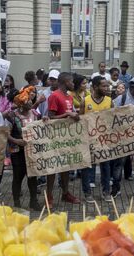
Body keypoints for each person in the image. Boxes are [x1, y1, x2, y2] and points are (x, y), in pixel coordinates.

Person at [46, 72, 81, 206]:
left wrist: (75, 115)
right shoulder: (54, 96)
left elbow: (70, 115)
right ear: (65, 82)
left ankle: (65, 193)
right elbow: (50, 118)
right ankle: (49, 195)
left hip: (67, 137)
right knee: (53, 167)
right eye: (72, 81)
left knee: (66, 166)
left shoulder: (69, 97)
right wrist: (67, 114)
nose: (73, 84)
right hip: (55, 137)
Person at [79, 76, 114, 202]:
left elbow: (113, 120)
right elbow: (80, 121)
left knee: (106, 166)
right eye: (103, 86)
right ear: (94, 87)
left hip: (104, 140)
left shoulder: (109, 101)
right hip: (88, 140)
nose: (107, 88)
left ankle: (106, 192)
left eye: (107, 86)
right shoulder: (85, 101)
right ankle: (87, 192)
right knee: (87, 166)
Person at [8, 86, 42, 210]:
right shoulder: (12, 116)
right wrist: (15, 140)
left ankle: (33, 201)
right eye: (26, 101)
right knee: (18, 177)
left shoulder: (35, 113)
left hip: (31, 151)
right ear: (20, 104)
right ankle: (16, 202)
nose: (29, 102)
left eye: (29, 100)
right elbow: (5, 133)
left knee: (32, 177)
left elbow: (40, 126)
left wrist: (44, 119)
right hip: (18, 152)